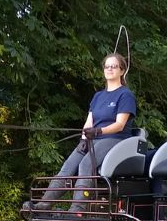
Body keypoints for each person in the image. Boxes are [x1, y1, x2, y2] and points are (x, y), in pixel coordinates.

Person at [40, 52, 137, 208]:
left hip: (115, 139)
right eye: (107, 66)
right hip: (93, 138)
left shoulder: (126, 95)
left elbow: (119, 124)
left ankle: (77, 209)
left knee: (85, 165)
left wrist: (98, 132)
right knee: (68, 166)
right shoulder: (98, 96)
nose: (110, 69)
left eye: (114, 66)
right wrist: (84, 140)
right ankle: (43, 205)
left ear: (122, 70)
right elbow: (89, 121)